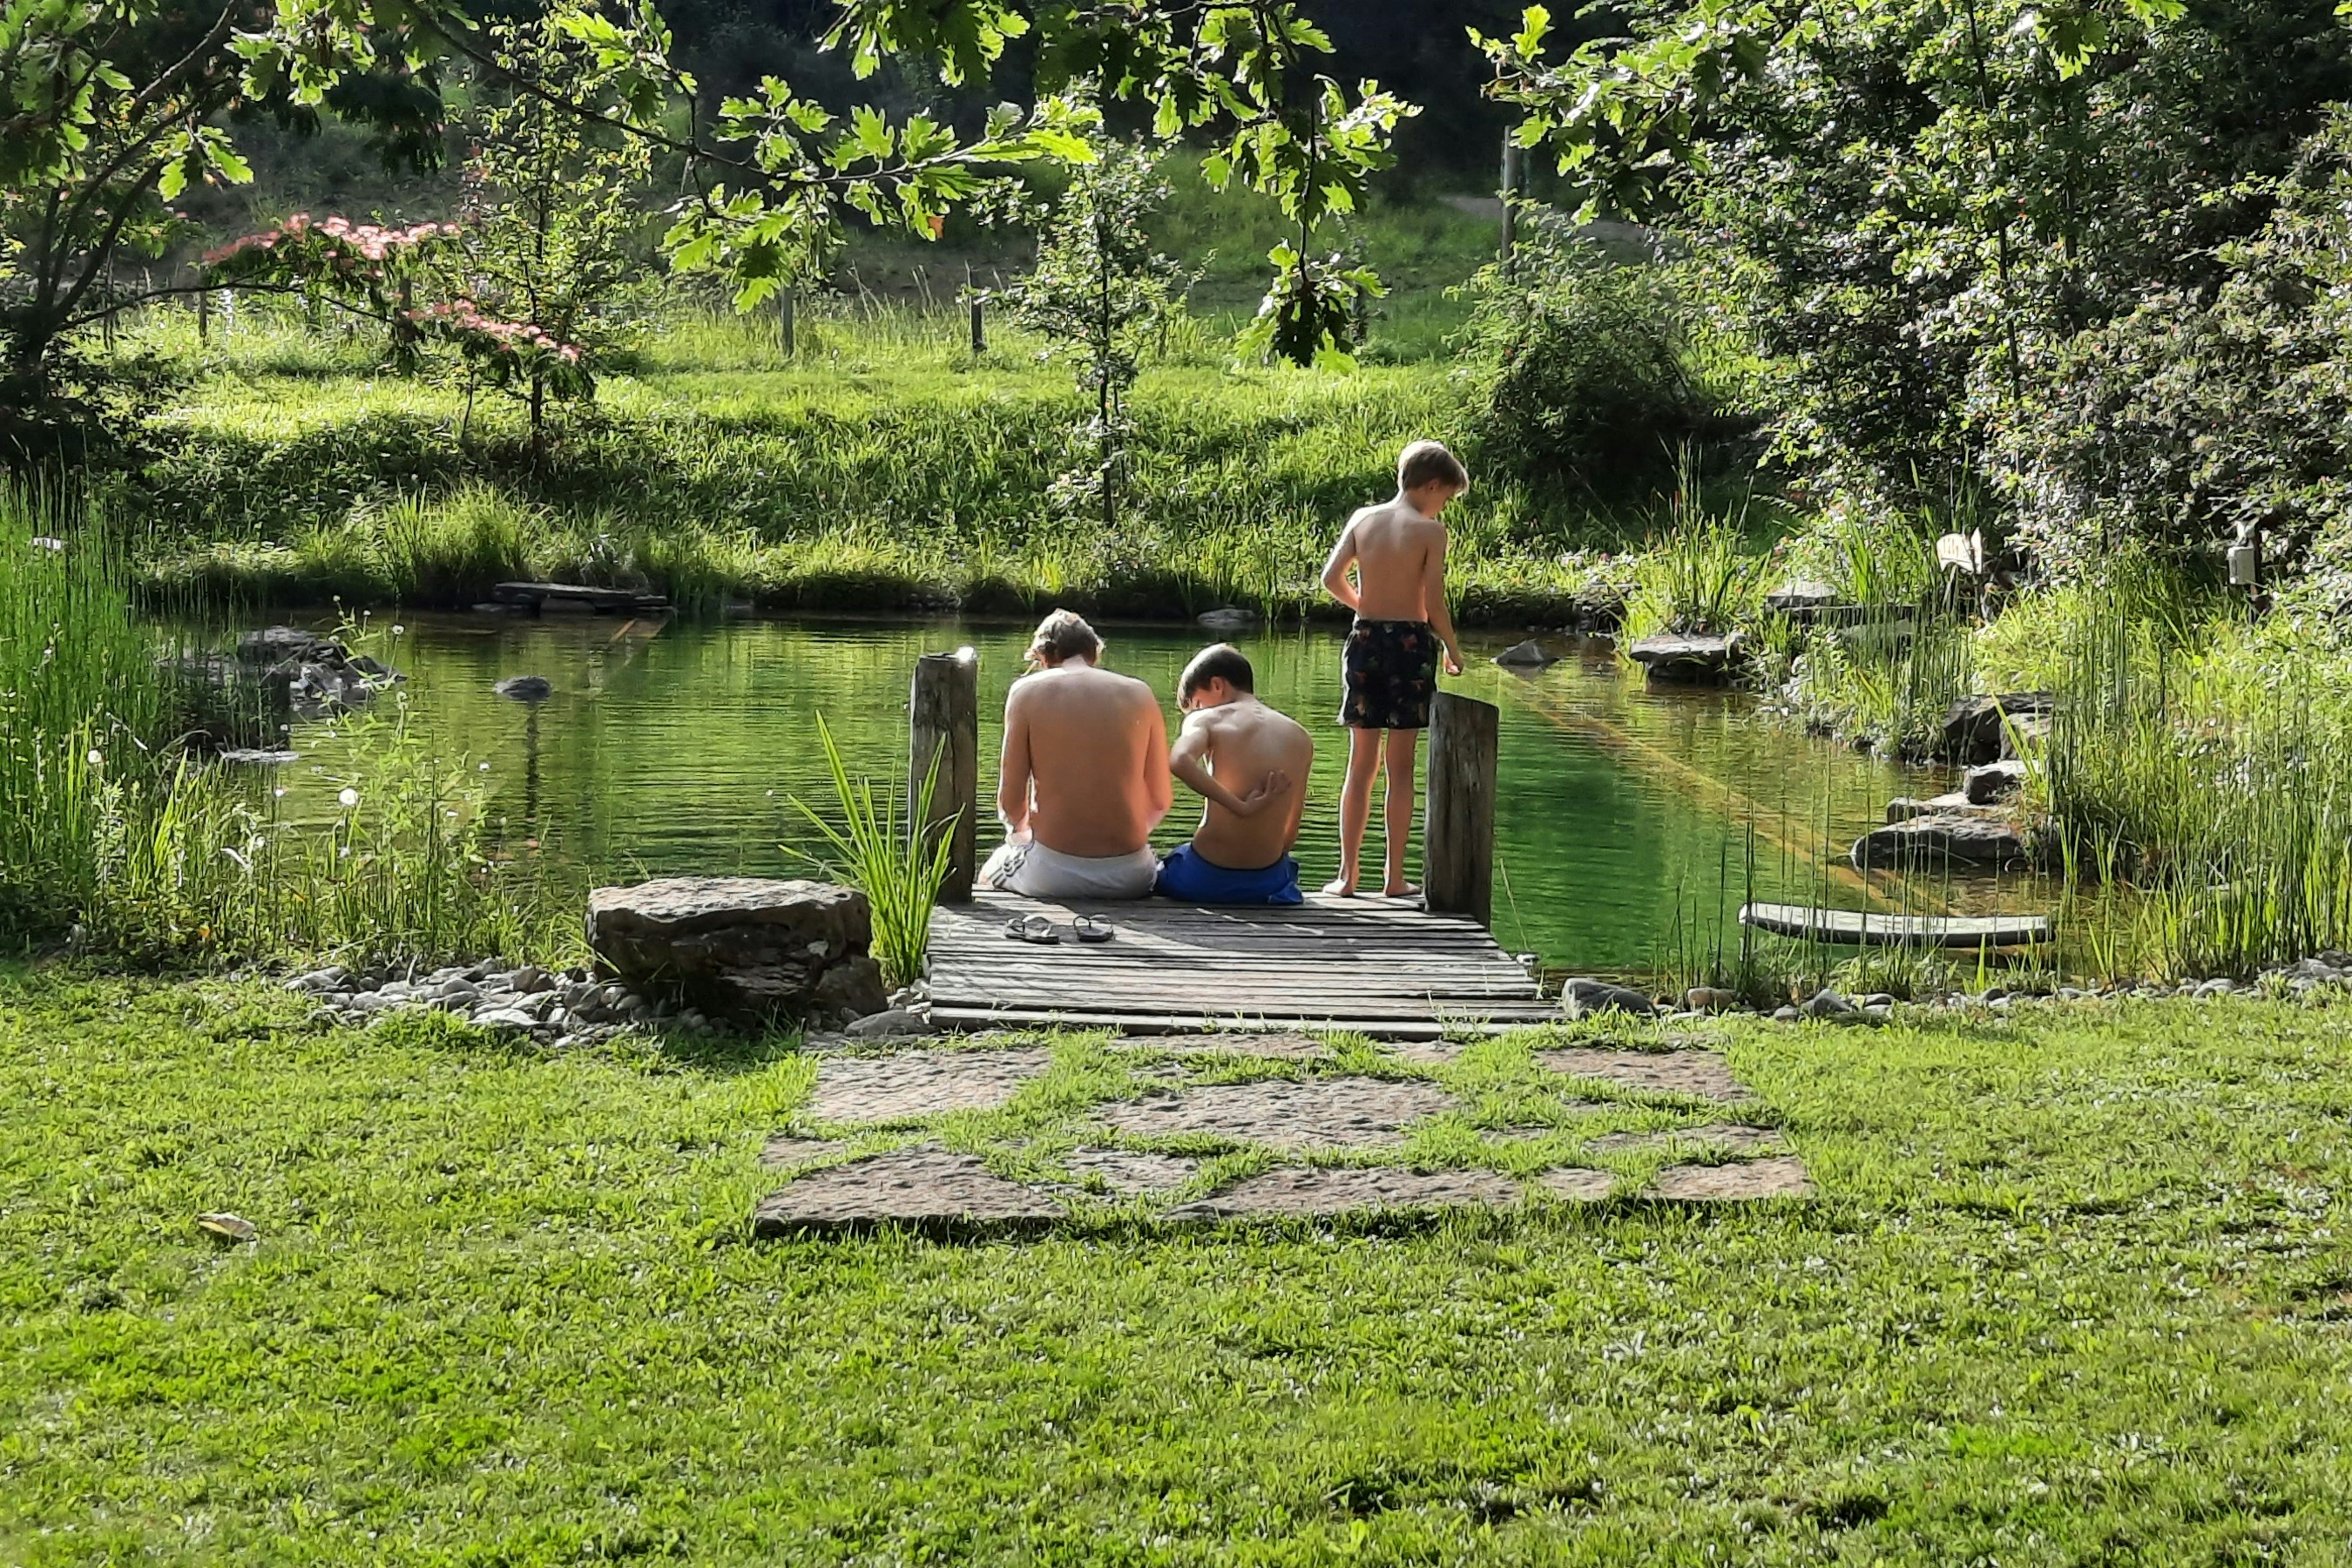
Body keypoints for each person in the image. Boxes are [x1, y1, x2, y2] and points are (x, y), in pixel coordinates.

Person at [1318, 438, 1469, 898]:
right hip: (1410, 645)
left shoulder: (1363, 518)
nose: (1443, 507)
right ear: (1432, 485)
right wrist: (1452, 648)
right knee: (1400, 768)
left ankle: (1347, 876)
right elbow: (1434, 603)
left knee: (1360, 764)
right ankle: (1394, 877)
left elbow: (1330, 578)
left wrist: (1364, 606)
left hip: (1364, 640)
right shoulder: (1430, 532)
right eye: (1446, 498)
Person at [982, 610, 1171, 899]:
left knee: (987, 874)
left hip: (1052, 873)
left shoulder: (1026, 692)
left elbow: (1011, 805)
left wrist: (1020, 836)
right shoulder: (1140, 693)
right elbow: (1159, 800)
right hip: (1130, 875)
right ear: (1093, 652)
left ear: (1044, 655)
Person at [1155, 644, 1314, 905]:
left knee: (1164, 866)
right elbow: (1290, 834)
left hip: (1205, 878)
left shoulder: (1208, 720)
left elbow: (1179, 761)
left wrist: (1240, 807)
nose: (1197, 712)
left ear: (1217, 685)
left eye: (1197, 704)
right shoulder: (1300, 736)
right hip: (1269, 882)